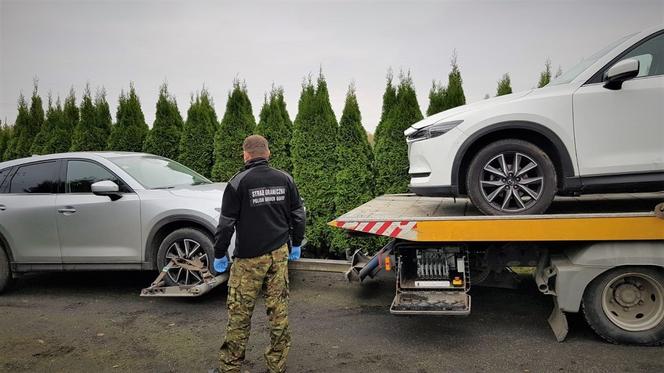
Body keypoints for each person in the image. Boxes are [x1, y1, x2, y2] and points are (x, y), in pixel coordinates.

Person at [211, 134, 306, 373]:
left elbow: (225, 225)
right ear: (268, 153)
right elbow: (298, 215)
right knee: (279, 312)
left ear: (245, 155)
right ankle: (277, 366)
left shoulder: (237, 182)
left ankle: (230, 368)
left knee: (240, 314)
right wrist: (296, 244)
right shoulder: (285, 179)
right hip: (279, 255)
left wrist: (219, 253)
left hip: (248, 260)